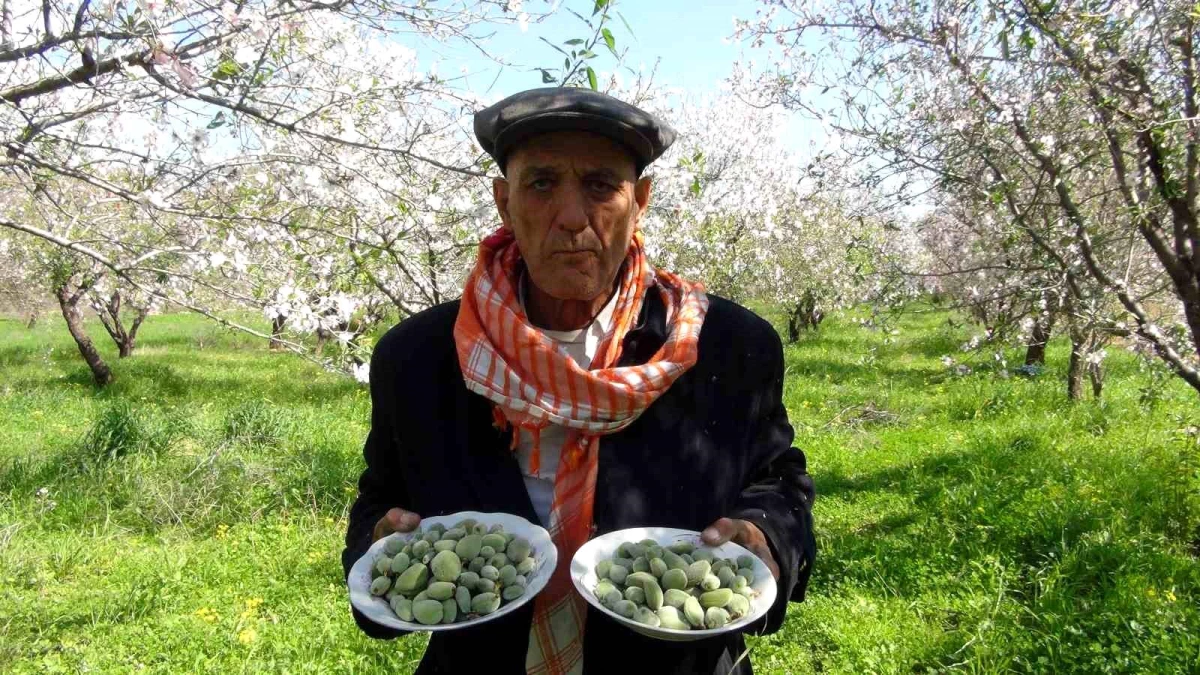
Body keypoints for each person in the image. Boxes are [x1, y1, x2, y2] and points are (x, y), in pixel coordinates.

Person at [341, 87, 816, 675]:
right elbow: (382, 496)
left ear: (639, 201)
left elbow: (777, 480)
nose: (571, 217)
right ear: (503, 202)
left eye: (600, 186)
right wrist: (378, 546)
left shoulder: (727, 349)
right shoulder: (419, 357)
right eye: (541, 184)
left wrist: (767, 535)